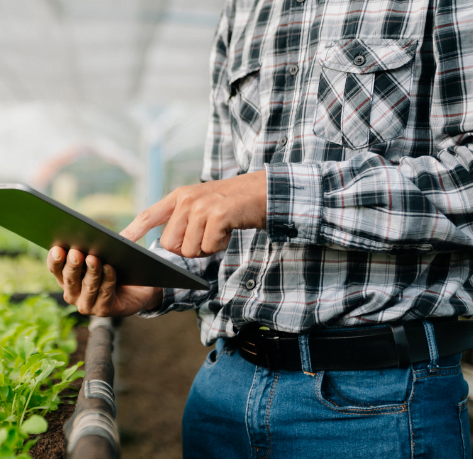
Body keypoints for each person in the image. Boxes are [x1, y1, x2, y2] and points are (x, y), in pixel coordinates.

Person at [47, 0, 473, 457]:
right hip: (223, 390)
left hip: (376, 404)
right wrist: (153, 283)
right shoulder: (243, 11)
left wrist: (271, 194)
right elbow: (223, 210)